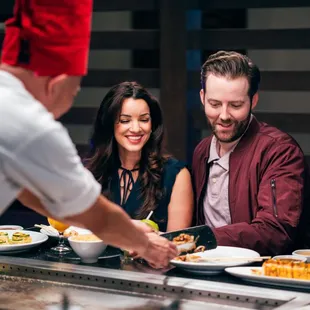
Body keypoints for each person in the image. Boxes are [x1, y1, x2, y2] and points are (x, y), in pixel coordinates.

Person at [0, 0, 177, 268]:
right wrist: (146, 244)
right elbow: (95, 214)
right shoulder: (30, 125)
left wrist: (126, 228)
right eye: (74, 91)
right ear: (55, 83)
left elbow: (30, 192)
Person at [192, 50, 310, 256]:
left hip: (260, 275)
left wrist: (200, 238)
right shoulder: (202, 151)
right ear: (202, 98)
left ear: (253, 100)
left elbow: (276, 231)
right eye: (215, 104)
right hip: (203, 271)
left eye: (236, 105)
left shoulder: (280, 151)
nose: (224, 115)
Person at [85, 81, 194, 232]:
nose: (136, 128)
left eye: (144, 119)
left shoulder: (176, 175)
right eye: (125, 120)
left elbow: (177, 246)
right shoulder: (92, 173)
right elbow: (76, 233)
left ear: (153, 124)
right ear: (109, 124)